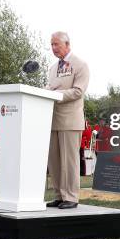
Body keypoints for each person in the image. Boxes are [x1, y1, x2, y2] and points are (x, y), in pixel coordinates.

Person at [46, 31, 89, 209]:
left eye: (57, 44)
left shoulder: (80, 65)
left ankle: (71, 196)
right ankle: (59, 195)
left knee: (69, 161)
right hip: (52, 120)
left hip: (70, 121)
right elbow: (49, 88)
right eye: (52, 45)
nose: (53, 48)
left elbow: (78, 91)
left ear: (67, 44)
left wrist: (55, 94)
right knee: (54, 161)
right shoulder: (52, 68)